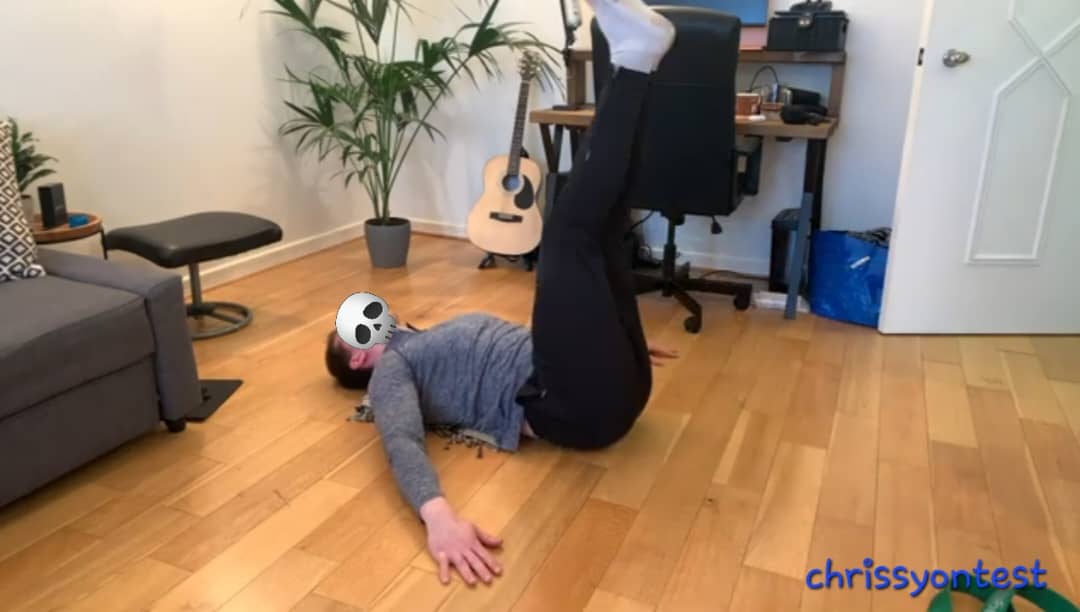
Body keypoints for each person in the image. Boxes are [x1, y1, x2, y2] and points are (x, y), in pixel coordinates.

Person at [325, 0, 678, 587]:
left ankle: (633, 60)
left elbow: (524, 345)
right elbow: (403, 442)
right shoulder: (392, 373)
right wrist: (439, 519)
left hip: (605, 381)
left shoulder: (424, 339)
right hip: (578, 408)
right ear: (359, 357)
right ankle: (635, 57)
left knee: (605, 224)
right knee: (565, 235)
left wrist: (609, 340)